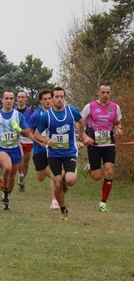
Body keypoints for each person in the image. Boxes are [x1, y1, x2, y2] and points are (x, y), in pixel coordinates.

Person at [34, 87, 84, 220]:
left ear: (64, 97)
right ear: (52, 98)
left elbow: (81, 121)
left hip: (69, 152)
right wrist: (46, 141)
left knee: (71, 180)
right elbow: (36, 134)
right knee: (56, 182)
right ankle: (63, 209)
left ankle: (65, 180)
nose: (59, 99)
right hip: (54, 154)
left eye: (62, 96)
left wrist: (81, 137)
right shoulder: (46, 116)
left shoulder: (71, 111)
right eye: (56, 97)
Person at [0, 91, 40, 211]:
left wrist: (39, 141)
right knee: (7, 167)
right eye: (6, 98)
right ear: (1, 100)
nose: (9, 101)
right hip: (0, 148)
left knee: (12, 176)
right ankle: (4, 185)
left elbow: (27, 132)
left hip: (15, 148)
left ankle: (6, 197)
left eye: (11, 98)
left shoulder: (18, 116)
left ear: (14, 100)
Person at [80, 84, 123, 212]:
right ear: (98, 93)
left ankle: (103, 203)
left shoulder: (115, 107)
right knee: (96, 176)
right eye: (103, 92)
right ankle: (90, 167)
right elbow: (79, 122)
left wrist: (119, 128)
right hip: (94, 144)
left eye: (107, 92)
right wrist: (84, 136)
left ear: (111, 93)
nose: (105, 95)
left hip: (109, 144)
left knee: (109, 171)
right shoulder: (90, 106)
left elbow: (117, 123)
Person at [28, 89, 60, 210]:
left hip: (53, 150)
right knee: (41, 177)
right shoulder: (36, 115)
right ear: (41, 101)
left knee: (53, 173)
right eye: (45, 99)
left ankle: (54, 201)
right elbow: (28, 131)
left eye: (49, 98)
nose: (48, 101)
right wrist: (39, 141)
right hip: (39, 150)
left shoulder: (58, 113)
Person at [16, 91, 35, 192]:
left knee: (26, 162)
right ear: (17, 98)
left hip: (28, 139)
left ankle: (23, 180)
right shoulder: (13, 111)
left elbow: (33, 125)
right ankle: (20, 174)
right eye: (19, 97)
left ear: (26, 99)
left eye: (23, 97)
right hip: (17, 138)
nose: (20, 99)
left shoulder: (31, 111)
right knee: (20, 158)